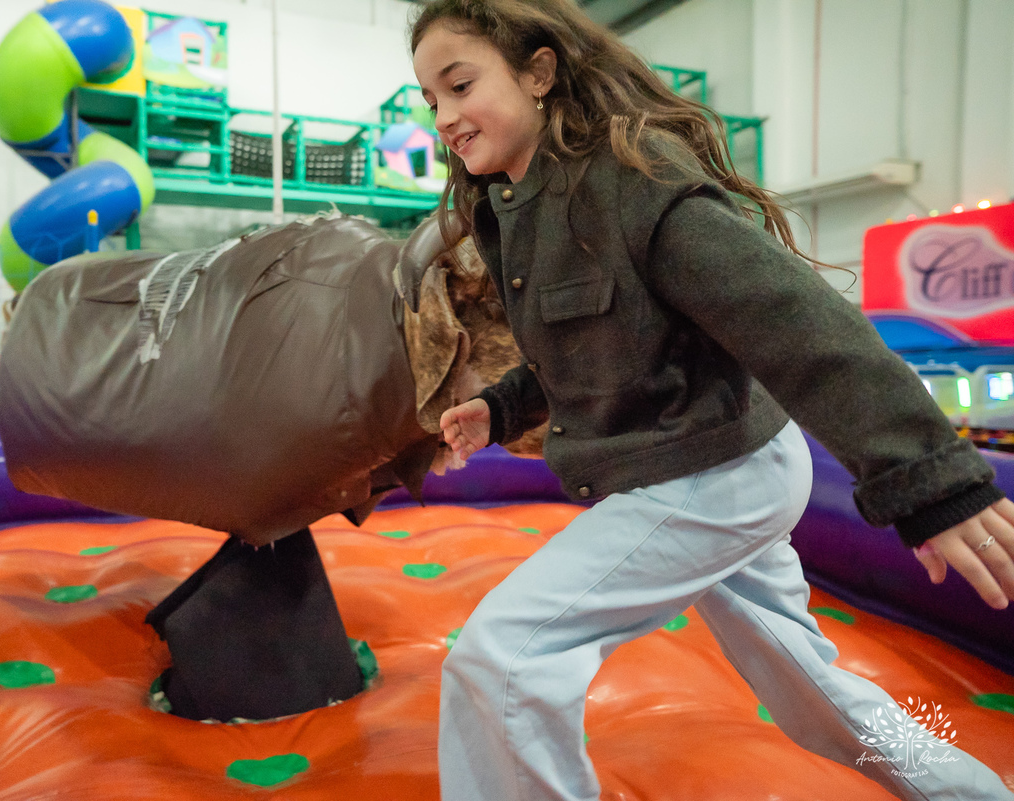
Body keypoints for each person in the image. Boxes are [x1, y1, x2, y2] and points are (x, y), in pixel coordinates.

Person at [411, 2, 1014, 799]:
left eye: (460, 86)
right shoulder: (515, 211)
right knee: (814, 695)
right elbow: (597, 348)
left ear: (539, 71)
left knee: (504, 657)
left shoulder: (633, 182)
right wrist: (503, 406)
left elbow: (795, 321)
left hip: (712, 474)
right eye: (431, 102)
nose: (446, 118)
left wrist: (932, 480)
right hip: (704, 463)